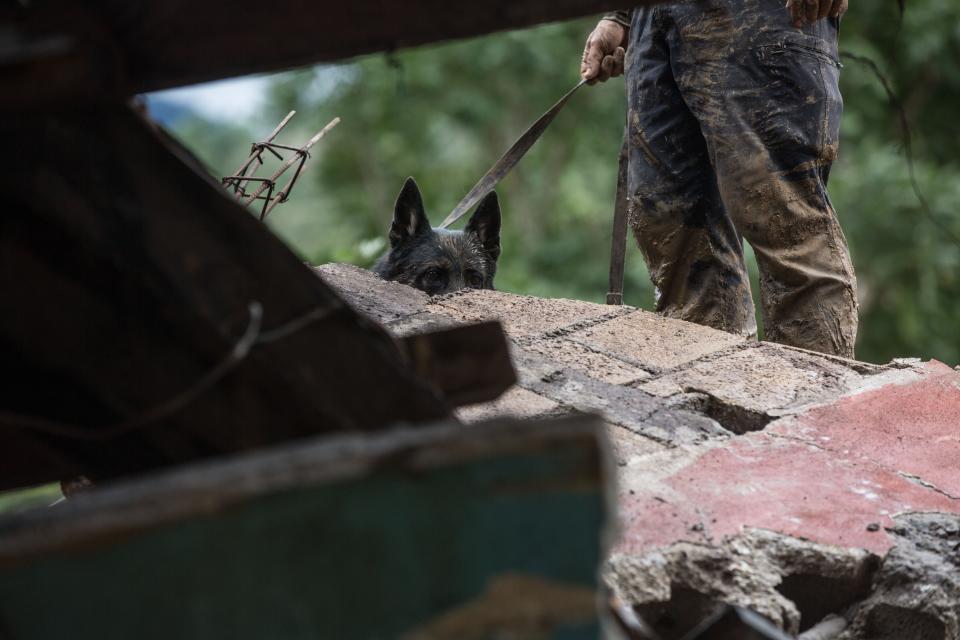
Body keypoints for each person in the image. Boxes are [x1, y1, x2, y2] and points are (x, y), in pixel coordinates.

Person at [580, 0, 858, 358]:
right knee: (677, 237)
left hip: (762, 15)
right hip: (653, 20)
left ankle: (815, 405)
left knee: (787, 225)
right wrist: (620, 15)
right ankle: (713, 403)